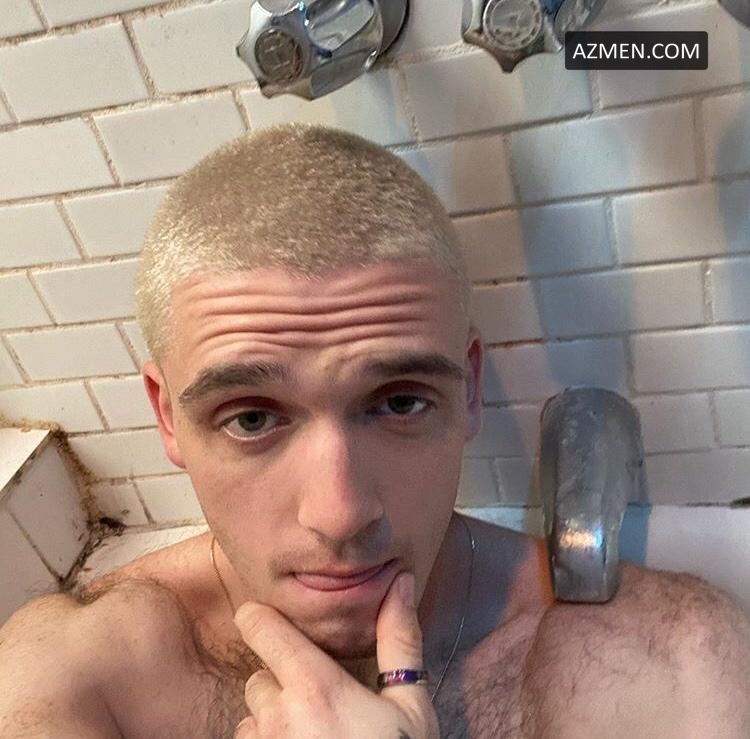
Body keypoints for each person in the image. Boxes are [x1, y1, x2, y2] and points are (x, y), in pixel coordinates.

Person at [0, 124, 748, 739]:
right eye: (252, 418)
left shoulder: (667, 663)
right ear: (168, 416)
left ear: (469, 389)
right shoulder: (75, 676)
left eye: (399, 403)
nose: (340, 514)